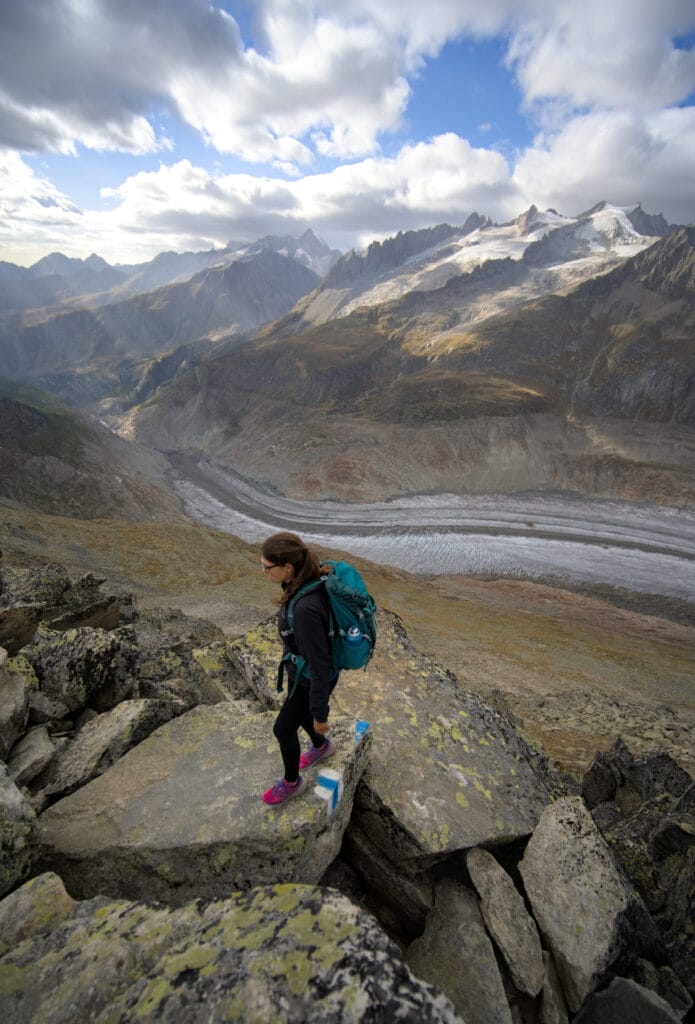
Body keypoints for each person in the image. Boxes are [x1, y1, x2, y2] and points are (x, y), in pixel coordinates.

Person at [260, 531, 338, 805]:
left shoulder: (305, 608)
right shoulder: (302, 583)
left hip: (310, 678)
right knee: (299, 714)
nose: (263, 572)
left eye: (267, 568)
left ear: (288, 568)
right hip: (302, 674)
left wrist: (320, 713)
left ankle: (292, 783)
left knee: (283, 729)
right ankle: (321, 747)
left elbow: (320, 665)